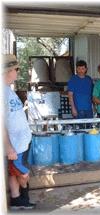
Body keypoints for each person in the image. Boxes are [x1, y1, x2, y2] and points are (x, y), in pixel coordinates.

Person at [3, 54, 35, 209]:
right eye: (16, 69)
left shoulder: (8, 90)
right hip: (15, 146)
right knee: (23, 174)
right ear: (8, 71)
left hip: (21, 142)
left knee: (14, 173)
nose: (18, 72)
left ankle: (17, 201)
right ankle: (24, 198)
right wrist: (8, 147)